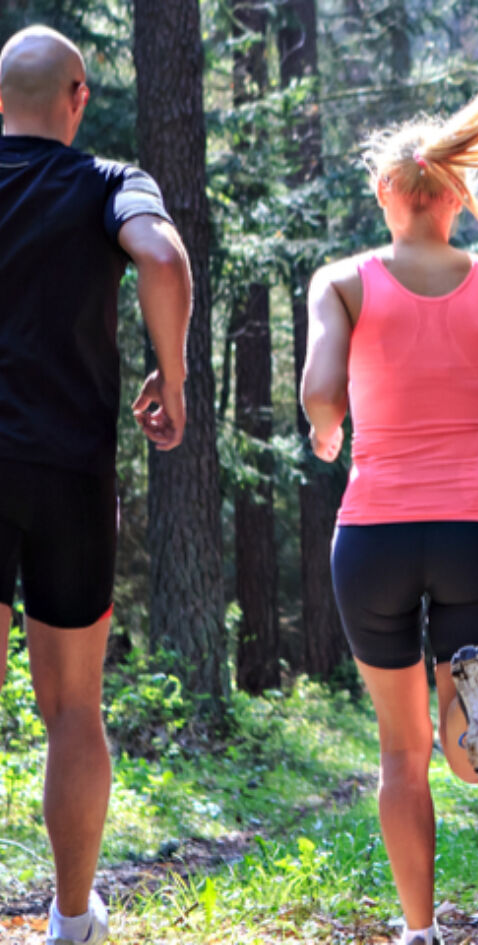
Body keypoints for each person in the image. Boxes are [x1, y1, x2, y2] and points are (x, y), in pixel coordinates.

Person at [299, 67, 478, 945]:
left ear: (384, 195)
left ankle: (418, 931)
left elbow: (321, 390)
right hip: (476, 529)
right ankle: (471, 705)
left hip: (373, 530)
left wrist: (331, 427)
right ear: (462, 192)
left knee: (398, 754)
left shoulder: (342, 282)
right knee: (460, 747)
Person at [0, 24, 192, 945]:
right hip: (69, 471)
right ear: (78, 97)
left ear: (0, 102)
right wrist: (174, 377)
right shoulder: (113, 182)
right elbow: (161, 258)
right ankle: (71, 921)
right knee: (72, 705)